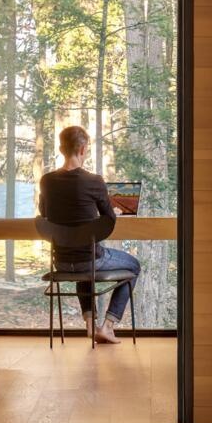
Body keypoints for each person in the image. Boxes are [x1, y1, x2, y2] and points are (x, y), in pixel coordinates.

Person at [37, 125, 140, 345]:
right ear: (83, 149)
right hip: (88, 260)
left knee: (82, 255)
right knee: (134, 266)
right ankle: (108, 326)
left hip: (61, 263)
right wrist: (115, 212)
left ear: (61, 148)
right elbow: (108, 218)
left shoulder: (47, 181)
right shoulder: (94, 181)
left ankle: (90, 326)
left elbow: (44, 214)